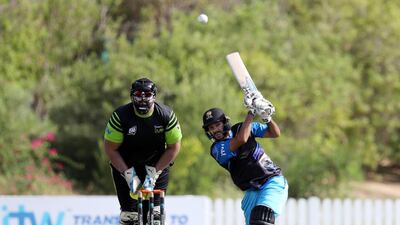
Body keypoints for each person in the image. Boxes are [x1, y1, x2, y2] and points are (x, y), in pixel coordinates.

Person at [104, 77, 182, 225]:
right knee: (130, 217)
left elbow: (174, 148)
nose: (142, 99)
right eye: (138, 94)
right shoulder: (120, 116)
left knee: (155, 218)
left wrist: (154, 173)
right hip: (126, 165)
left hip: (157, 164)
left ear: (154, 96)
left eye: (147, 95)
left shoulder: (165, 115)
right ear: (132, 96)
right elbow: (110, 149)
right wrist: (129, 175)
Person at [202, 93, 288, 225]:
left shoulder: (245, 128)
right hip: (251, 192)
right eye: (211, 128)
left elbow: (275, 133)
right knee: (256, 221)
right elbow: (241, 139)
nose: (215, 130)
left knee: (261, 220)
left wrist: (267, 117)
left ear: (225, 122)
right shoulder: (216, 149)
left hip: (271, 181)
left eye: (217, 125)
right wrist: (251, 112)